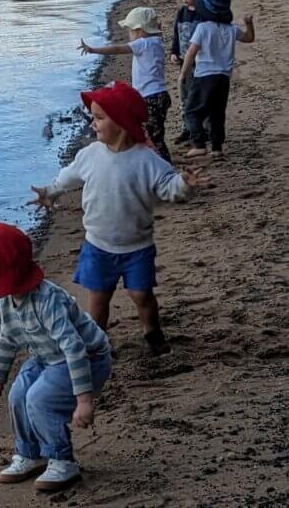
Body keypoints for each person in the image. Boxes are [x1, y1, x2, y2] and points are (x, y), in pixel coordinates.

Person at [30, 81, 210, 354]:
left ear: (122, 122)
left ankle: (152, 333)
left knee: (142, 295)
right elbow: (68, 177)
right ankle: (96, 340)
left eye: (99, 118)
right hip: (98, 245)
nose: (93, 124)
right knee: (99, 298)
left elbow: (168, 187)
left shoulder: (147, 160)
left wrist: (184, 184)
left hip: (137, 247)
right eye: (92, 117)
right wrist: (49, 191)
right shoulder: (90, 156)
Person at [0, 221, 111, 493]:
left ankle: (61, 459)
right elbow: (8, 337)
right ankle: (29, 452)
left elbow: (74, 348)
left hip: (88, 359)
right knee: (18, 395)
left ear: (5, 277)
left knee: (40, 399)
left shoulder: (48, 302)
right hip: (47, 357)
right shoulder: (8, 301)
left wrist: (84, 401)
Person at [79, 6, 172, 162]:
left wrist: (93, 50)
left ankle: (163, 165)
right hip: (161, 94)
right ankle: (153, 159)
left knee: (152, 136)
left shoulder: (142, 43)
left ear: (139, 31)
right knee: (156, 132)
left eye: (130, 30)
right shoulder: (157, 42)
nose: (129, 34)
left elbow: (117, 49)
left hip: (149, 97)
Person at [179, 0, 255, 160]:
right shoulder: (231, 29)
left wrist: (183, 74)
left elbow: (191, 52)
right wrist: (249, 24)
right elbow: (249, 38)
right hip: (223, 78)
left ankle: (198, 144)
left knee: (192, 110)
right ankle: (216, 147)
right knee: (217, 113)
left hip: (204, 76)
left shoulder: (203, 28)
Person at [169, 0, 205, 144]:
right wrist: (174, 52)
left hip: (202, 63)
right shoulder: (181, 13)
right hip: (184, 62)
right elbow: (176, 35)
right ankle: (187, 128)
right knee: (184, 96)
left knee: (200, 96)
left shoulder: (204, 14)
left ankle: (202, 129)